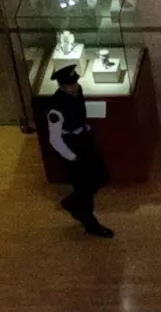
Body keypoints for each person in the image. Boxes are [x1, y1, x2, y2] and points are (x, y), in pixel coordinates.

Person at [43, 64, 114, 238]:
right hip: (72, 146)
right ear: (61, 86)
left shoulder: (77, 92)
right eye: (70, 85)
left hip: (84, 140)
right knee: (84, 186)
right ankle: (90, 224)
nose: (74, 87)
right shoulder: (55, 109)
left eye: (75, 83)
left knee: (102, 175)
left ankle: (72, 203)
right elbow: (55, 139)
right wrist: (72, 157)